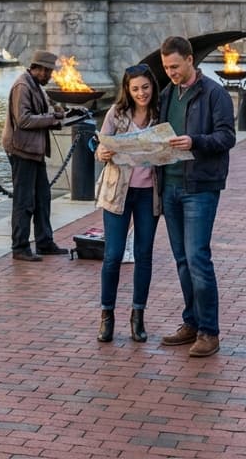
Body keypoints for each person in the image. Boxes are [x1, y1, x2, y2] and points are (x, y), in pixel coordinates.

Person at [156, 36, 236, 358]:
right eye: (166, 67)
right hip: (170, 184)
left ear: (190, 60)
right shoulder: (165, 94)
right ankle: (190, 321)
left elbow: (227, 136)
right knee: (182, 260)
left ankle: (209, 331)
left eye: (175, 66)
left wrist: (195, 142)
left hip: (200, 187)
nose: (171, 72)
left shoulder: (214, 93)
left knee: (198, 258)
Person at [94, 63, 161, 343]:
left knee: (144, 256)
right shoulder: (117, 113)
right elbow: (100, 150)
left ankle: (138, 316)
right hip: (118, 192)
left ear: (152, 87)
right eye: (135, 89)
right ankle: (107, 315)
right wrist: (104, 151)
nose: (141, 93)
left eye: (145, 87)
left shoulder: (160, 114)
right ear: (127, 90)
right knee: (113, 256)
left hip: (149, 194)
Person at [2, 49, 71, 261]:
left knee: (43, 198)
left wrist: (58, 114)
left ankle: (44, 242)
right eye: (48, 72)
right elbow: (23, 120)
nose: (50, 76)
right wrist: (52, 119)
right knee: (24, 201)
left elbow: (42, 112)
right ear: (38, 68)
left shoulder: (35, 86)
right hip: (22, 150)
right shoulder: (23, 86)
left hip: (34, 150)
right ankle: (20, 247)